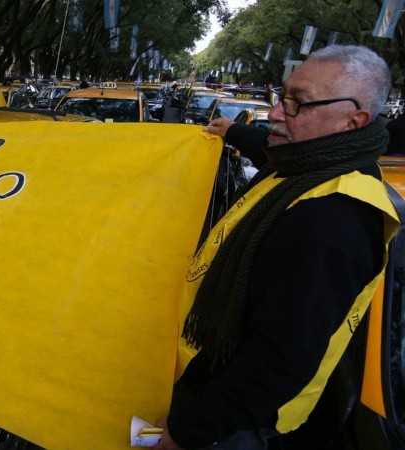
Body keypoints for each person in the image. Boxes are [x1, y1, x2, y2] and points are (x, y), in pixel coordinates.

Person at [157, 45, 400, 450]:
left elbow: (280, 359)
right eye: (281, 97)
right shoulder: (311, 160)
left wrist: (188, 431)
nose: (275, 114)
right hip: (207, 386)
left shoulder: (333, 220)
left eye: (297, 104)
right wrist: (231, 131)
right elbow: (266, 147)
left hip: (234, 425)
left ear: (352, 120)